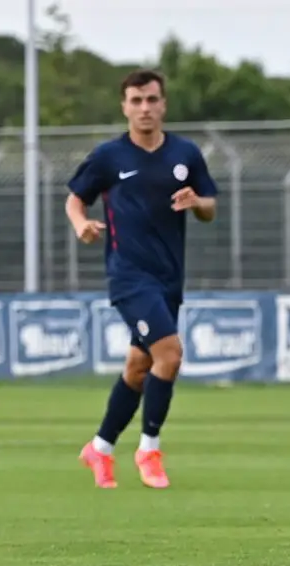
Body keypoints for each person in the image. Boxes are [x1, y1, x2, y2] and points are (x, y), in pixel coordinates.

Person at [64, 69, 218, 489]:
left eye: (151, 99)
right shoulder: (109, 156)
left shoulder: (185, 153)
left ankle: (100, 448)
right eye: (136, 100)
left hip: (169, 277)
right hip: (129, 275)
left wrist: (196, 202)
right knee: (170, 354)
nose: (144, 108)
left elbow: (209, 209)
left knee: (138, 367)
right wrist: (80, 224)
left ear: (163, 104)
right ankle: (149, 449)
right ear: (125, 107)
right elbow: (75, 199)